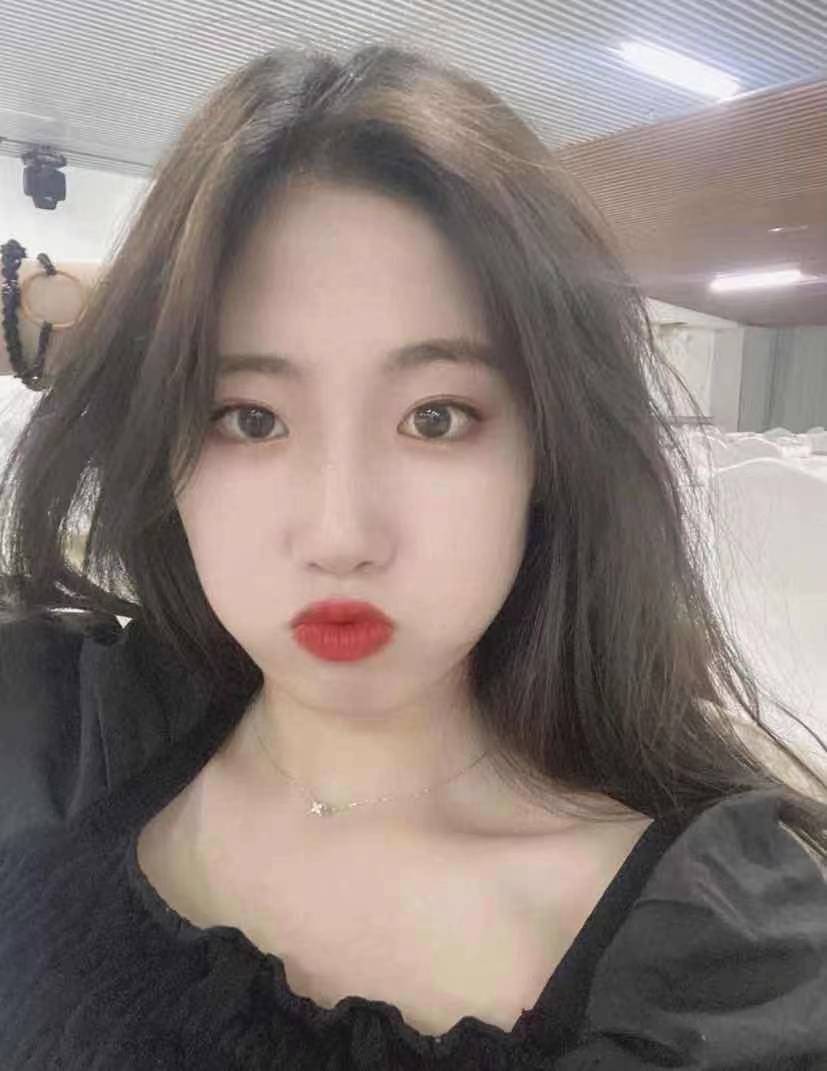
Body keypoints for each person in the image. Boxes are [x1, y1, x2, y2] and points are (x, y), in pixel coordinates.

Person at [0, 42, 825, 1071]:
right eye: (250, 417)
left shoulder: (719, 975)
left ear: (546, 452)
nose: (340, 536)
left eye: (435, 417)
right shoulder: (68, 736)